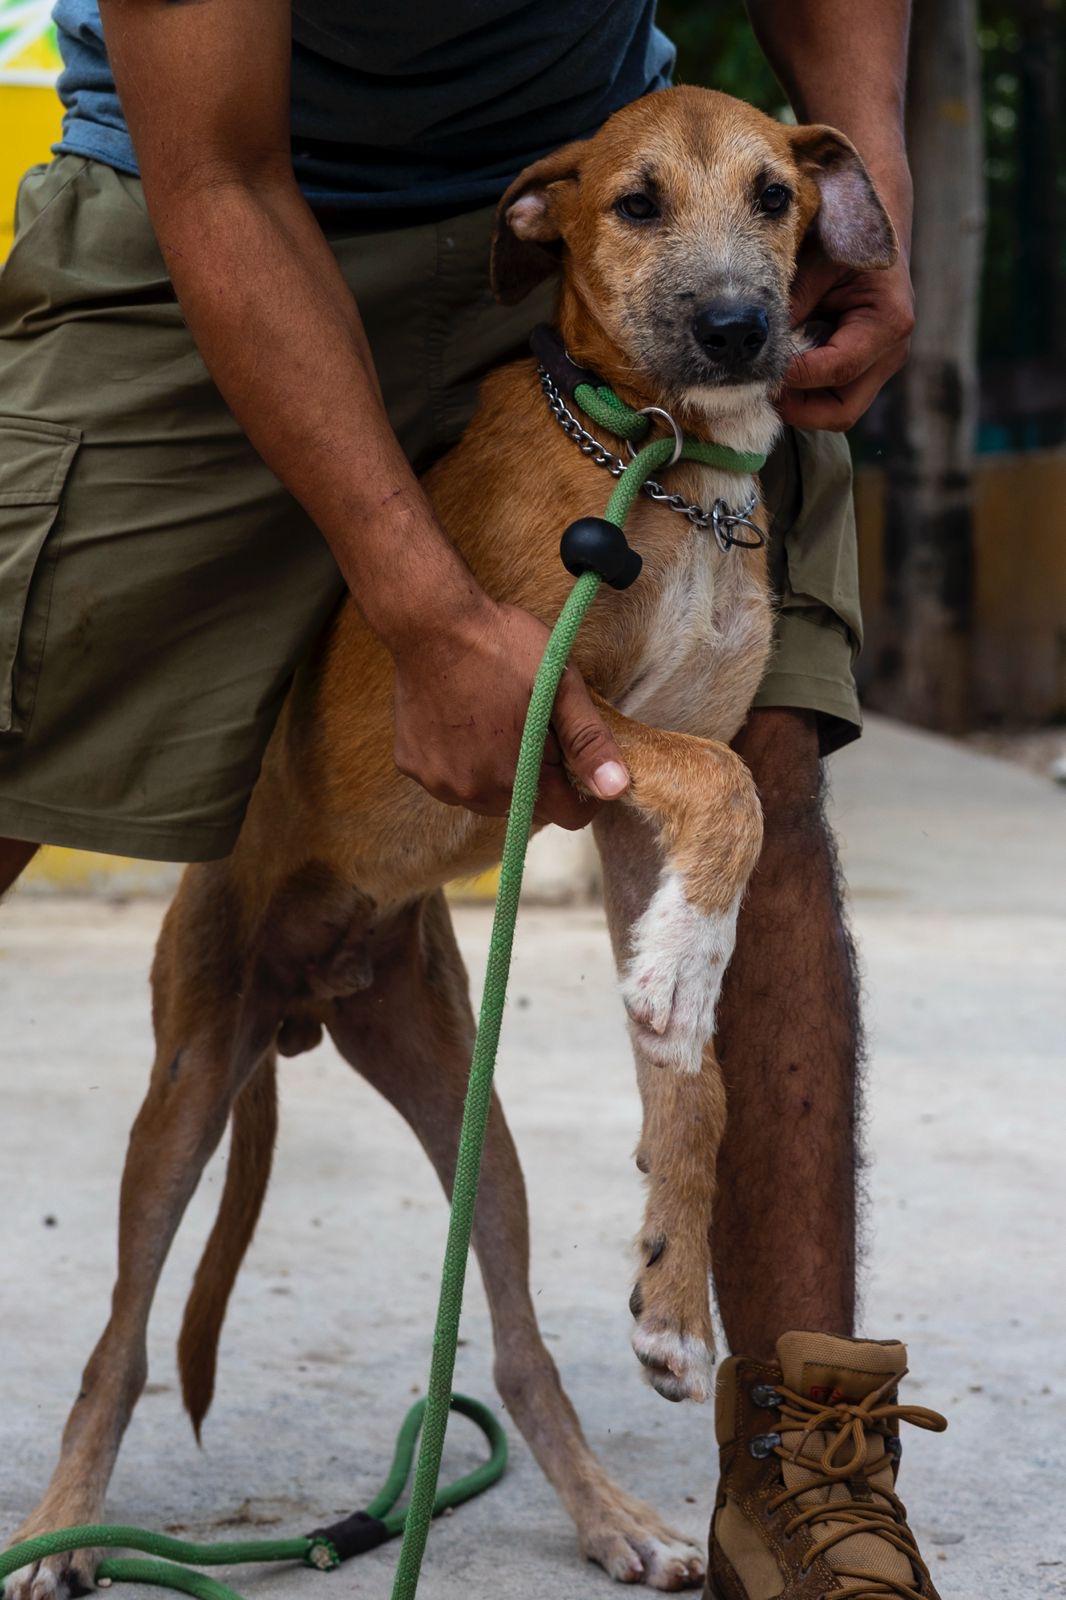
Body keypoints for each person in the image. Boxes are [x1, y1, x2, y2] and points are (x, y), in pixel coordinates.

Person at [0, 3, 945, 1597]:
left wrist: (869, 187)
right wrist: (427, 618)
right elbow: (218, 171)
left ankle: (804, 1459)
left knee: (760, 755)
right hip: (215, 187)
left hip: (600, 170)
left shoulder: (715, 228)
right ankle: (103, 1408)